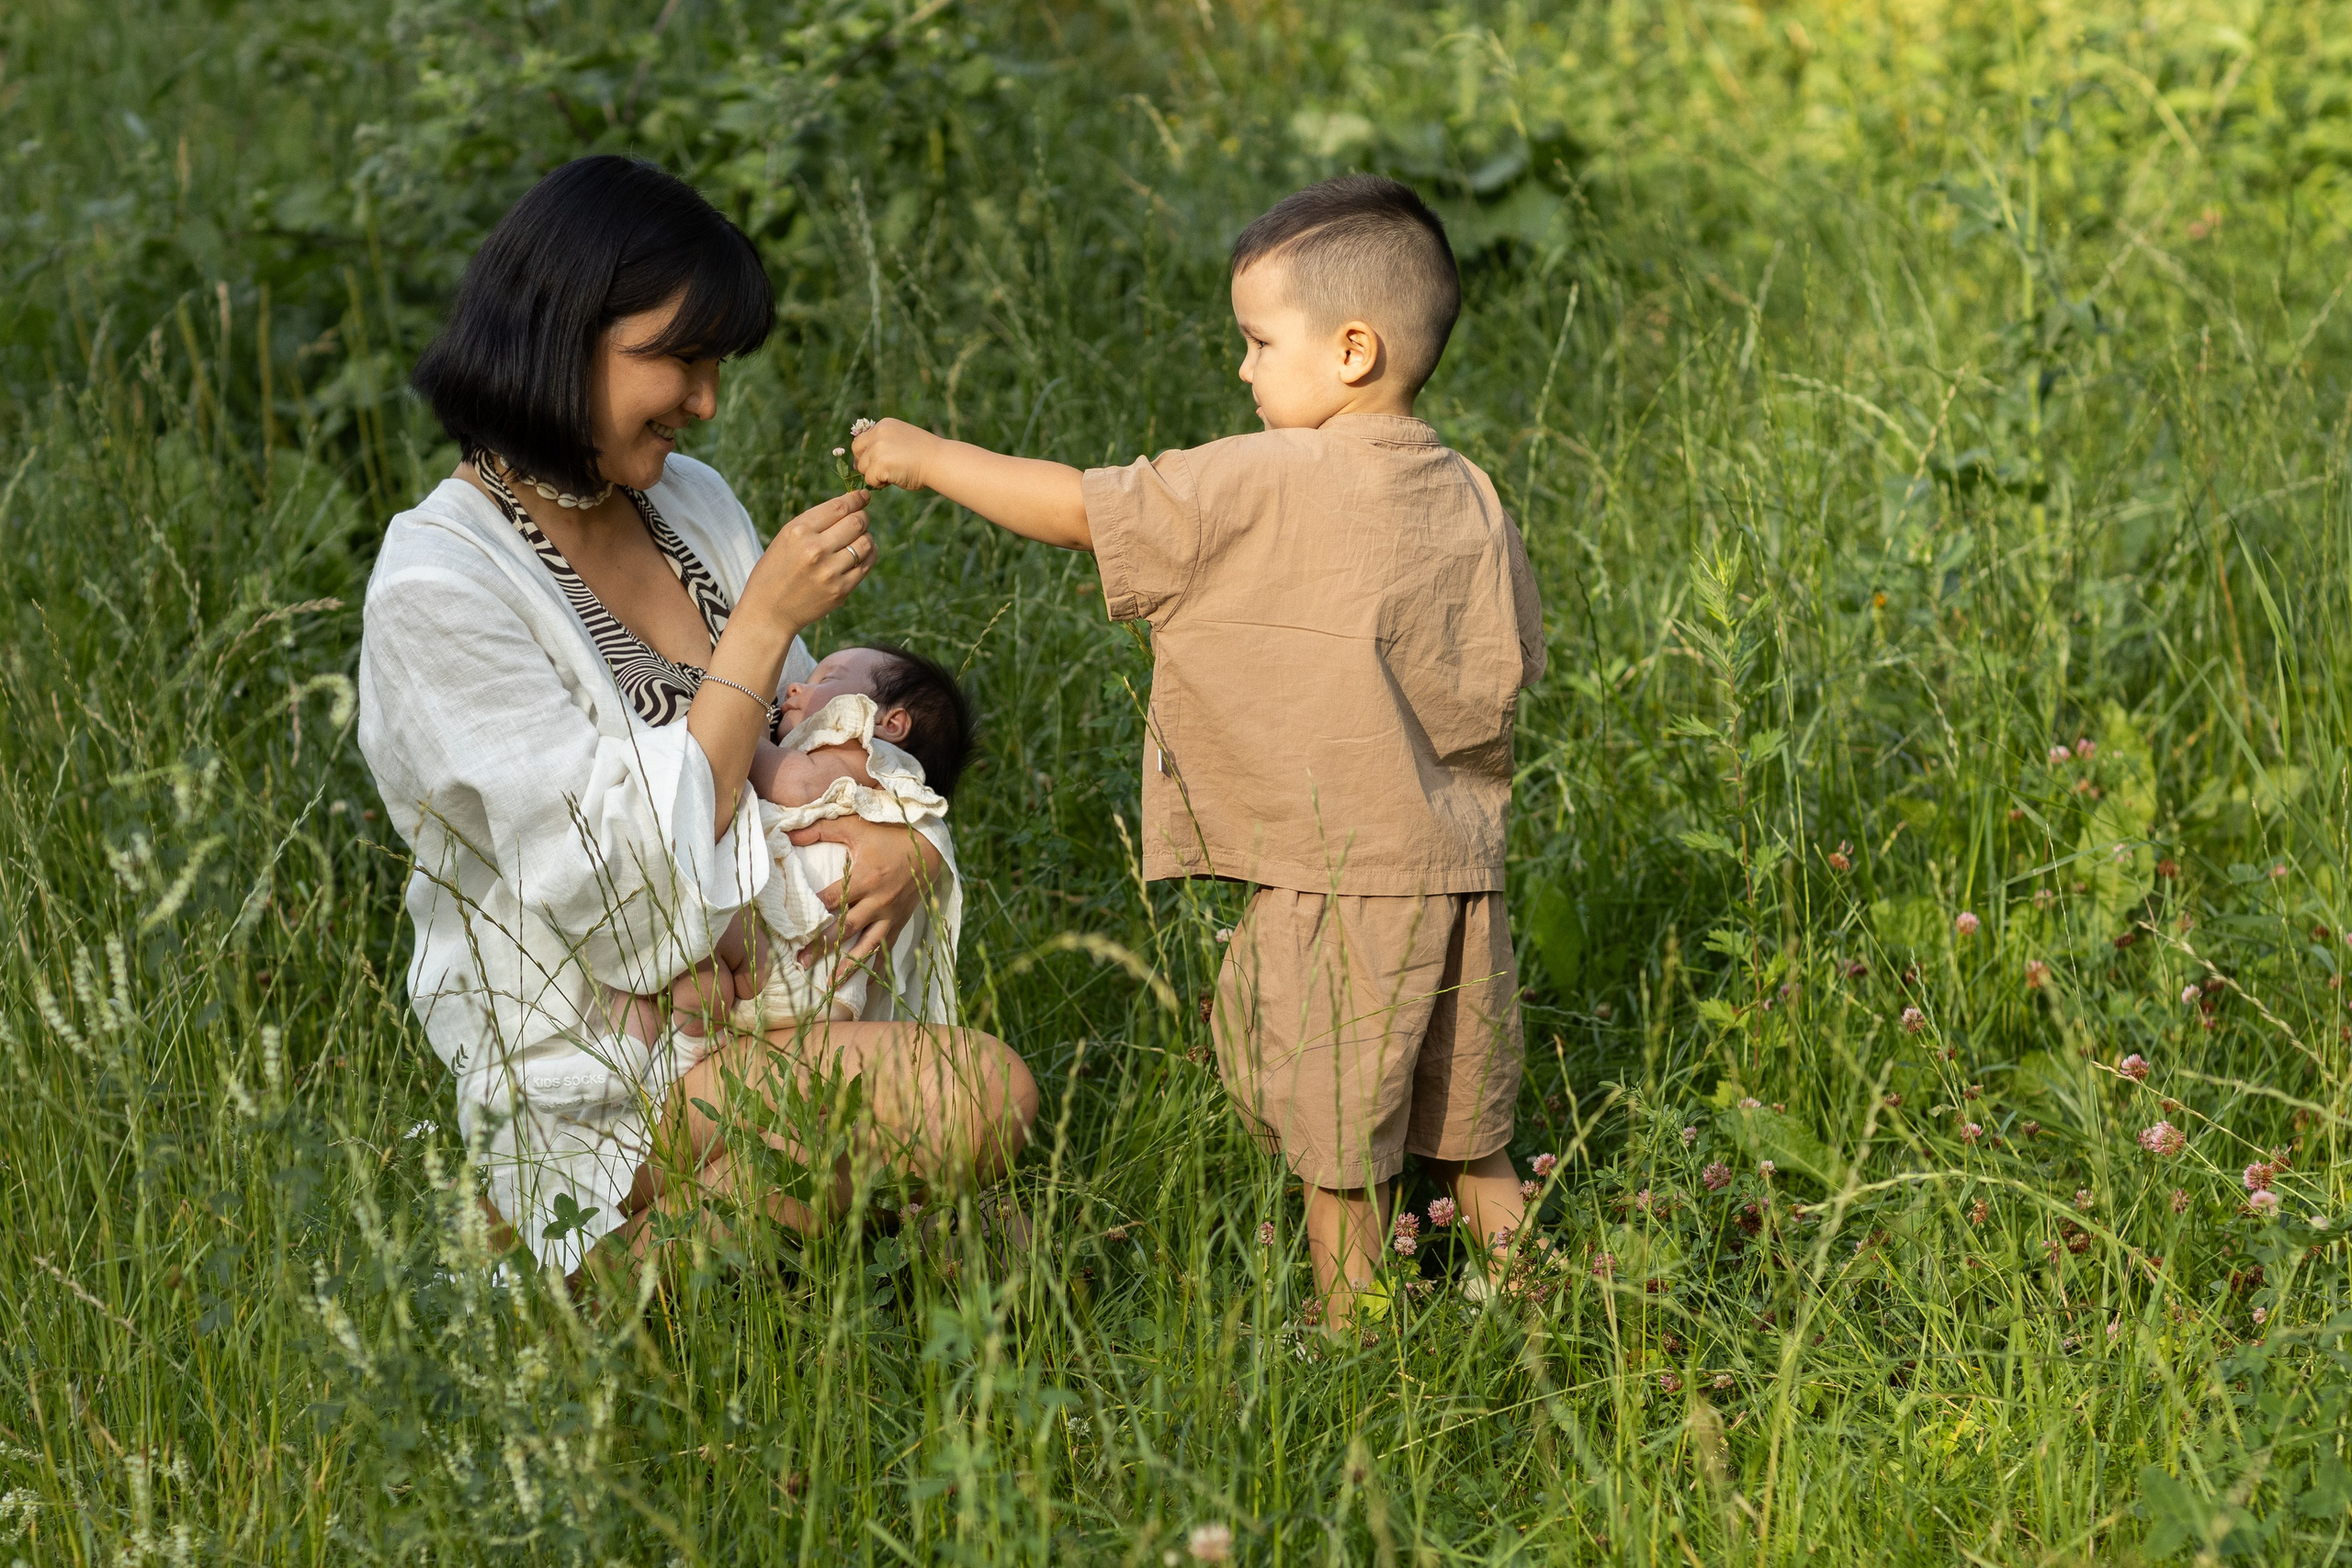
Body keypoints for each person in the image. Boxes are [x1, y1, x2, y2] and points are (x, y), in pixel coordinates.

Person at [851, 175, 1546, 1327]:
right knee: (1469, 1133)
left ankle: (1352, 1344)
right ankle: (1531, 1305)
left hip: (1337, 879)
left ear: (1353, 351)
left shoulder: (1270, 474)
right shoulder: (1472, 494)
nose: (1242, 369)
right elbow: (1508, 657)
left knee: (1338, 1146)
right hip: (1460, 872)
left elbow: (1085, 510)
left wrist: (926, 456)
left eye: (1259, 342)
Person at [356, 154, 1035, 1281]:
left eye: (717, 365)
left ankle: (668, 1251)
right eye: (680, 359)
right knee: (979, 1097)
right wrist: (760, 626)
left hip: (763, 1024)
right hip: (605, 1062)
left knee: (963, 1127)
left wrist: (906, 848)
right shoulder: (440, 586)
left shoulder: (690, 503)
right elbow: (619, 905)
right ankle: (590, 1261)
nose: (707, 401)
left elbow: (829, 754)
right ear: (562, 332)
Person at [608, 645, 974, 1039]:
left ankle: (644, 1047)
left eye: (826, 679)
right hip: (826, 990)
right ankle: (679, 1039)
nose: (794, 688)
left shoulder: (868, 759)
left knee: (667, 947)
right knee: (676, 975)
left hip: (792, 952)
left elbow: (794, 784)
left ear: (892, 723)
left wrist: (736, 721)